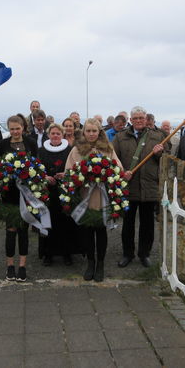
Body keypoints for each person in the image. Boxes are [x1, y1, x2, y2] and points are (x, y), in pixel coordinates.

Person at [65, 118, 123, 282]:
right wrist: (81, 176)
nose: (91, 134)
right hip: (85, 197)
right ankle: (90, 263)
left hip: (102, 197)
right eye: (88, 131)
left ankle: (101, 264)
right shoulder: (77, 150)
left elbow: (118, 168)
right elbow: (69, 171)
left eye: (94, 131)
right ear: (84, 132)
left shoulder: (108, 149)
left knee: (101, 232)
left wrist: (107, 173)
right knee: (87, 233)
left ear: (100, 132)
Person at [113, 106, 165, 269]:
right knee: (128, 224)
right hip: (129, 187)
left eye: (141, 118)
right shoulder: (121, 137)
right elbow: (114, 160)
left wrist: (160, 153)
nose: (138, 121)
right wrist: (122, 173)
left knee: (147, 224)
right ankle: (127, 254)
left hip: (149, 186)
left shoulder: (157, 136)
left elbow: (166, 160)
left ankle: (144, 254)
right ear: (130, 120)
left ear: (146, 118)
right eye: (135, 118)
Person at [0, 115, 39, 282]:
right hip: (10, 193)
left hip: (26, 192)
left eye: (17, 128)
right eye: (12, 128)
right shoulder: (2, 145)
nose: (15, 131)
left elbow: (36, 165)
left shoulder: (31, 143)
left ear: (23, 127)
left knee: (23, 231)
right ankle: (9, 265)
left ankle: (22, 265)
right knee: (10, 231)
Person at [38, 123, 79, 266]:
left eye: (58, 133)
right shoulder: (41, 151)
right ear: (48, 135)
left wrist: (65, 174)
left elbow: (75, 167)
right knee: (48, 222)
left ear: (62, 135)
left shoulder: (69, 150)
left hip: (64, 192)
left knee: (65, 223)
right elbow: (37, 169)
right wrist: (45, 177)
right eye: (53, 133)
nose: (55, 136)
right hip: (48, 192)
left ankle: (67, 253)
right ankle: (48, 253)